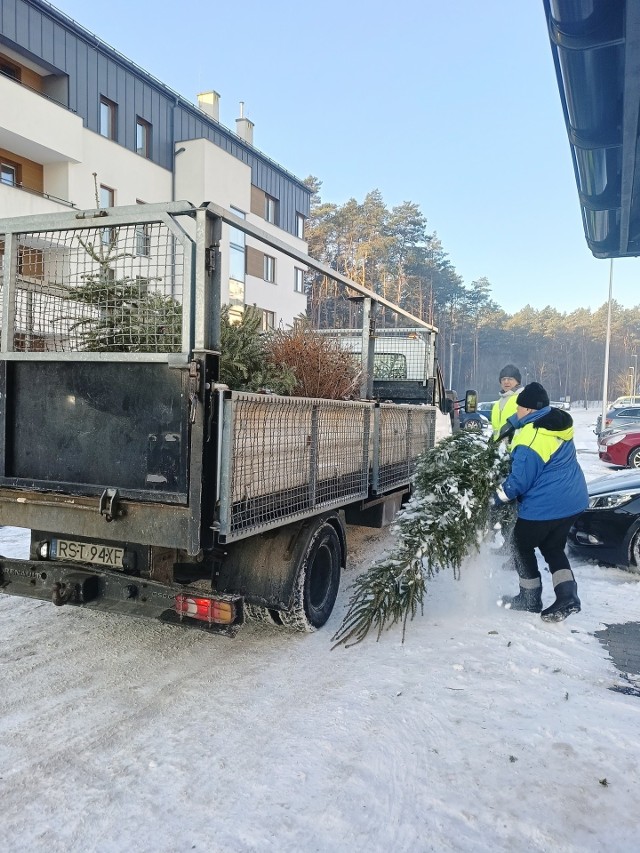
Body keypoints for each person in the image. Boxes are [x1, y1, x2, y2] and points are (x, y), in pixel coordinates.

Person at [493, 381, 588, 622]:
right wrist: (514, 423)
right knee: (553, 546)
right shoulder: (555, 423)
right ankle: (568, 595)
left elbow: (519, 481)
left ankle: (530, 598)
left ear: (528, 410)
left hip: (546, 505)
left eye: (518, 409)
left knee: (520, 544)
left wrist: (496, 498)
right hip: (572, 500)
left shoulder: (531, 438)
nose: (516, 413)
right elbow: (531, 421)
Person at [491, 364, 524, 440]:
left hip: (515, 449)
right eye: (503, 379)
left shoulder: (523, 399)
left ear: (517, 381)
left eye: (510, 379)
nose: (506, 382)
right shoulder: (497, 404)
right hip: (499, 448)